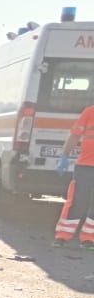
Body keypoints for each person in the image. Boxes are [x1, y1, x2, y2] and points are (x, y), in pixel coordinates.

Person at [56, 103, 94, 247]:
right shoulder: (90, 112)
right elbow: (75, 135)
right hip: (84, 167)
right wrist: (64, 156)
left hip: (85, 166)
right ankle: (62, 236)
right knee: (76, 201)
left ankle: (89, 239)